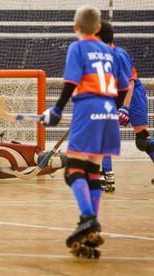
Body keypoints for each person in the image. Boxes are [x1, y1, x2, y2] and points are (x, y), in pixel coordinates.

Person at [41, 6, 129, 258]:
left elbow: (71, 82)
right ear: (99, 28)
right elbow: (124, 85)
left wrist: (57, 109)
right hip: (109, 111)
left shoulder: (77, 47)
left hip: (88, 106)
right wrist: (114, 108)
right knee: (93, 170)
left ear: (75, 27)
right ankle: (89, 226)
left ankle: (88, 218)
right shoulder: (111, 51)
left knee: (73, 170)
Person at [96, 21, 154, 193]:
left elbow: (130, 82)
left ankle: (106, 175)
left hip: (132, 95)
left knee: (142, 140)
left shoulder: (118, 55)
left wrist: (125, 108)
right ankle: (108, 176)